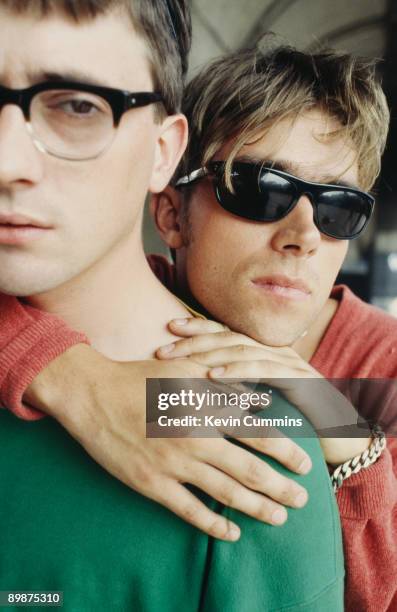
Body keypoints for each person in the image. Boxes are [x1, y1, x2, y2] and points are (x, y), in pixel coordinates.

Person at [0, 4, 394, 606]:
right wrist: (73, 374)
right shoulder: (103, 294)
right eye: (259, 190)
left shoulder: (384, 374)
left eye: (340, 209)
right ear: (171, 213)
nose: (304, 235)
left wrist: (347, 435)